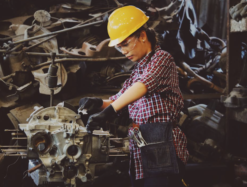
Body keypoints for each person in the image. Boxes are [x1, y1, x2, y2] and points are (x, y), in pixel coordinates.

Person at [79, 6, 189, 187]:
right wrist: (98, 104)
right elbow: (118, 100)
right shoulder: (138, 70)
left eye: (126, 44)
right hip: (141, 142)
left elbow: (142, 86)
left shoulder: (162, 59)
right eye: (120, 47)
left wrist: (108, 113)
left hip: (162, 143)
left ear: (143, 36)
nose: (123, 51)